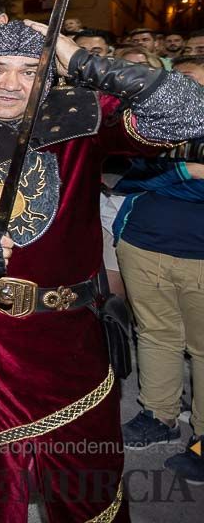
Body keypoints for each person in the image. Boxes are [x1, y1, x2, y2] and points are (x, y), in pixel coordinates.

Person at [0, 20, 204, 522]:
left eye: (30, 70)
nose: (11, 84)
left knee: (89, 495)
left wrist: (81, 60)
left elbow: (191, 113)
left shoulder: (80, 118)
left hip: (71, 346)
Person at [110, 135, 204, 482]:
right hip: (143, 242)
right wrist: (185, 172)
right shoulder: (161, 114)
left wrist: (169, 175)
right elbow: (130, 174)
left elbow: (152, 176)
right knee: (154, 335)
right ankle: (159, 416)